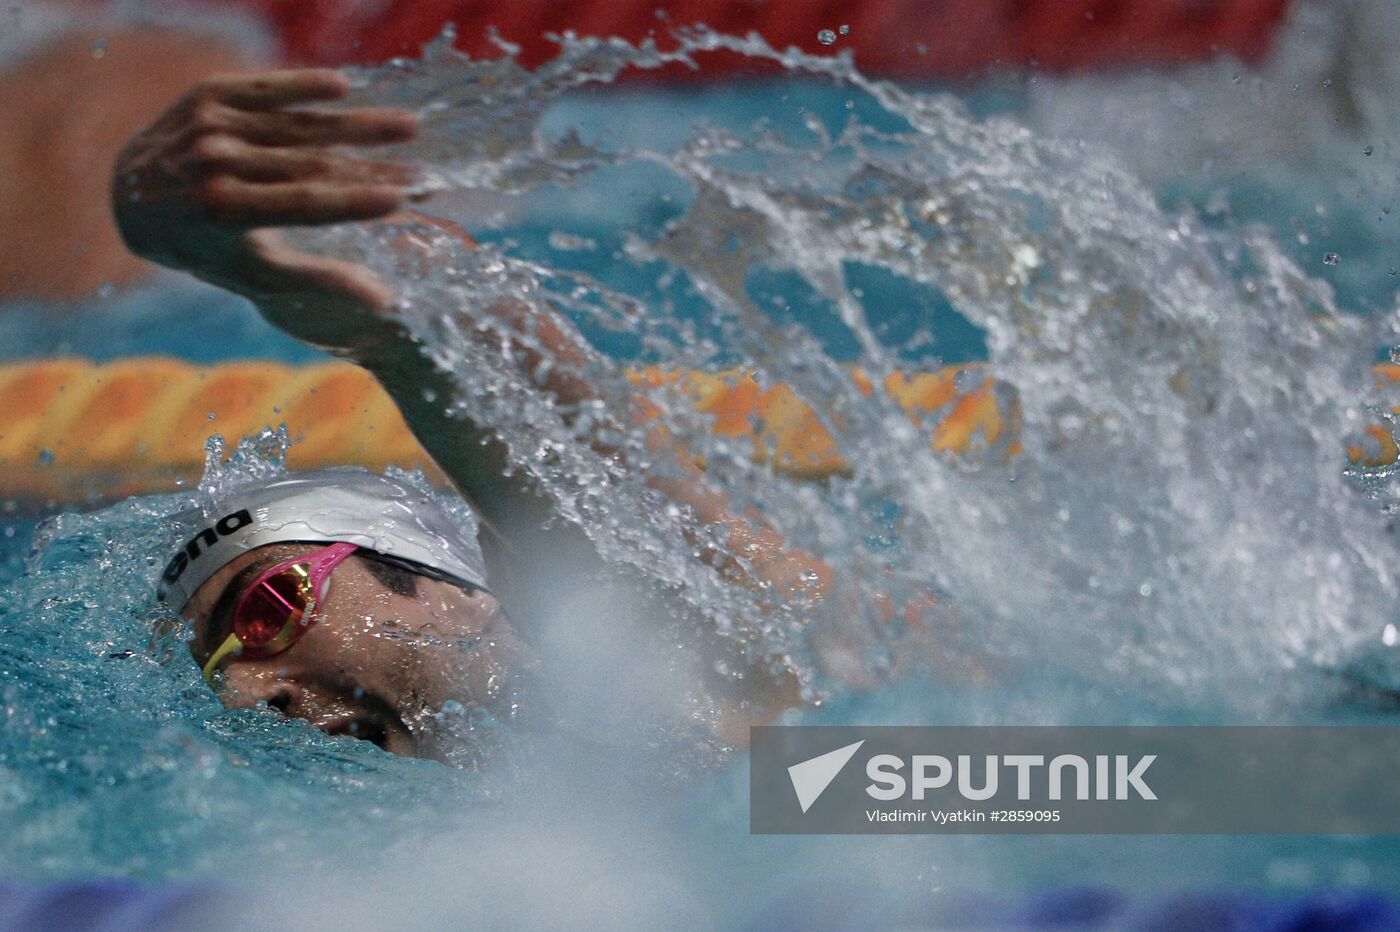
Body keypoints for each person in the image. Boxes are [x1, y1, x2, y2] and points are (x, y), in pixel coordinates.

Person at [117, 68, 929, 760]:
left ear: (447, 579)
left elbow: (455, 335)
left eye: (265, 614)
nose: (243, 689)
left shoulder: (705, 650)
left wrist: (206, 241)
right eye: (214, 669)